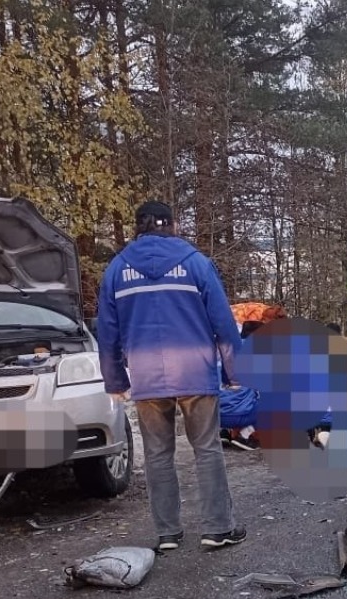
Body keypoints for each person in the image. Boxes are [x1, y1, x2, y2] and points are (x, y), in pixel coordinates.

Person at [96, 200, 248, 551]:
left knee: (158, 454)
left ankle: (167, 534)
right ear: (172, 225)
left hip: (147, 378)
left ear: (139, 227)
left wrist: (115, 380)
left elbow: (107, 331)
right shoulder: (195, 263)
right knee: (207, 449)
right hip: (195, 372)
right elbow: (223, 323)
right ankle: (218, 529)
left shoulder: (117, 270)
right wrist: (234, 371)